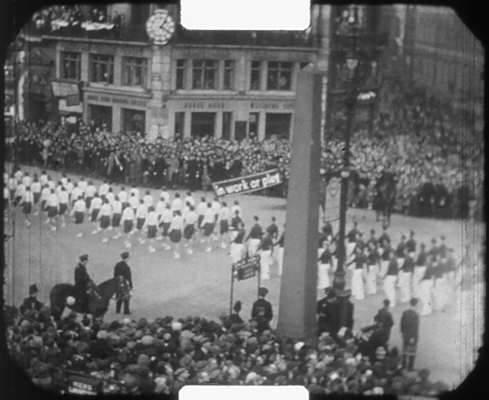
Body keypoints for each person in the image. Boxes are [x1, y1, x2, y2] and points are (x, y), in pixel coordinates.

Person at [400, 298, 420, 371]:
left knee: (404, 350)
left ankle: (403, 365)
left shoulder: (405, 312)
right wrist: (413, 337)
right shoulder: (415, 314)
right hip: (412, 335)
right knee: (412, 351)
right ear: (416, 304)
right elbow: (415, 327)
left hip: (405, 334)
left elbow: (402, 323)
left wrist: (402, 332)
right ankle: (410, 367)